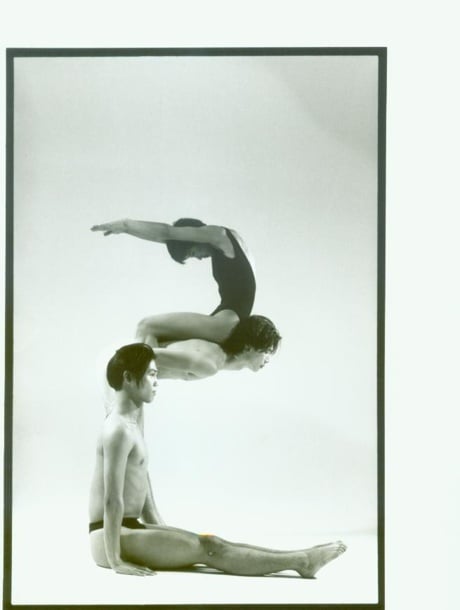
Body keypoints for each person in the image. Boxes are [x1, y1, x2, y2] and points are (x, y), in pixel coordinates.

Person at [89, 343, 347, 577]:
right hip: (110, 535)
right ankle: (302, 561)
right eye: (152, 374)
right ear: (128, 378)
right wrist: (116, 561)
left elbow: (139, 484)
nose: (157, 382)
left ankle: (301, 557)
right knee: (210, 548)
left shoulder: (131, 424)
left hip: (129, 528)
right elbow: (112, 500)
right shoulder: (117, 430)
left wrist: (165, 533)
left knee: (212, 542)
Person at [91, 217, 257, 345]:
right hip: (229, 323)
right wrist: (129, 230)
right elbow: (167, 237)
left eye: (193, 252)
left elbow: (167, 232)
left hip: (226, 323)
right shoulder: (232, 241)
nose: (199, 258)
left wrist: (126, 225)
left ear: (196, 237)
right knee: (159, 344)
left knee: (146, 327)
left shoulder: (218, 235)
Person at [142, 314, 281, 380]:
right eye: (267, 351)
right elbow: (143, 355)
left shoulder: (215, 357)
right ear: (249, 347)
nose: (268, 359)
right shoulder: (209, 362)